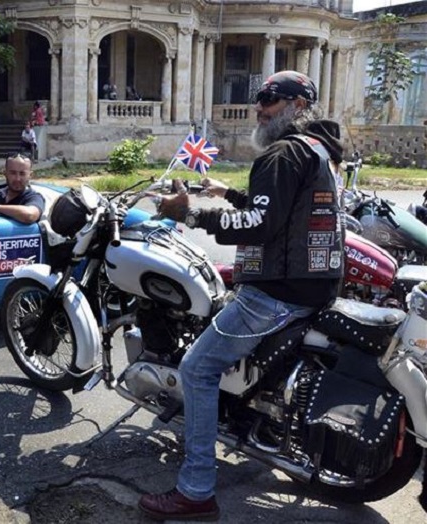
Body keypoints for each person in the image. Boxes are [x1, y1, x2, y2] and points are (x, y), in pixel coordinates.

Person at [137, 71, 345, 521]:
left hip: (276, 292)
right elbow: (279, 207)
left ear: (298, 106)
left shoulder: (283, 153)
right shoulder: (319, 151)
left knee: (196, 368)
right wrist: (227, 192)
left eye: (269, 98)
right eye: (259, 99)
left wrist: (190, 212)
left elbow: (260, 224)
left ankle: (195, 491)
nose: (259, 108)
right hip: (313, 286)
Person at [0, 154, 45, 224]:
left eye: (22, 174)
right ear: (5, 173)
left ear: (30, 175)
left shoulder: (34, 197)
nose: (17, 179)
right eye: (13, 173)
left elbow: (30, 215)